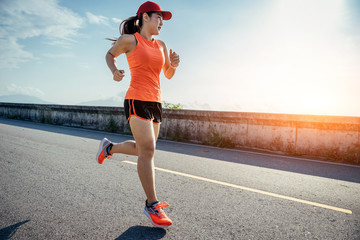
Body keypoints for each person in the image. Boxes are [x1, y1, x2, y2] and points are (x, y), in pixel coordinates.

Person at [96, 1, 180, 228]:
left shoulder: (161, 45)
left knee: (143, 150)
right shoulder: (130, 40)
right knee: (149, 151)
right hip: (136, 99)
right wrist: (114, 71)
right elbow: (109, 55)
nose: (162, 22)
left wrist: (173, 65)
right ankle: (152, 204)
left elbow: (168, 75)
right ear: (145, 17)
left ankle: (109, 148)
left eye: (163, 18)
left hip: (156, 102)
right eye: (158, 17)